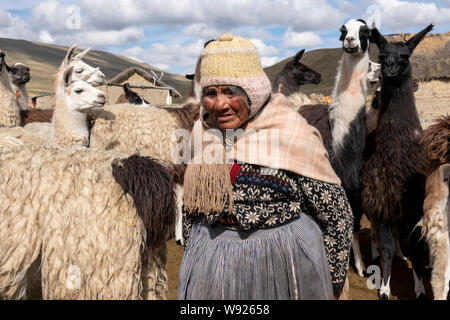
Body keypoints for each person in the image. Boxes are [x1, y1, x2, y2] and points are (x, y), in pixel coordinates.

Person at [177, 34, 353, 300]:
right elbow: (192, 206)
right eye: (211, 93)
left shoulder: (290, 133)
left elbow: (336, 214)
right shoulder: (204, 132)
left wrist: (334, 280)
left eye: (231, 92)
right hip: (211, 264)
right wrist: (193, 256)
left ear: (254, 91)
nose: (220, 104)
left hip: (281, 264)